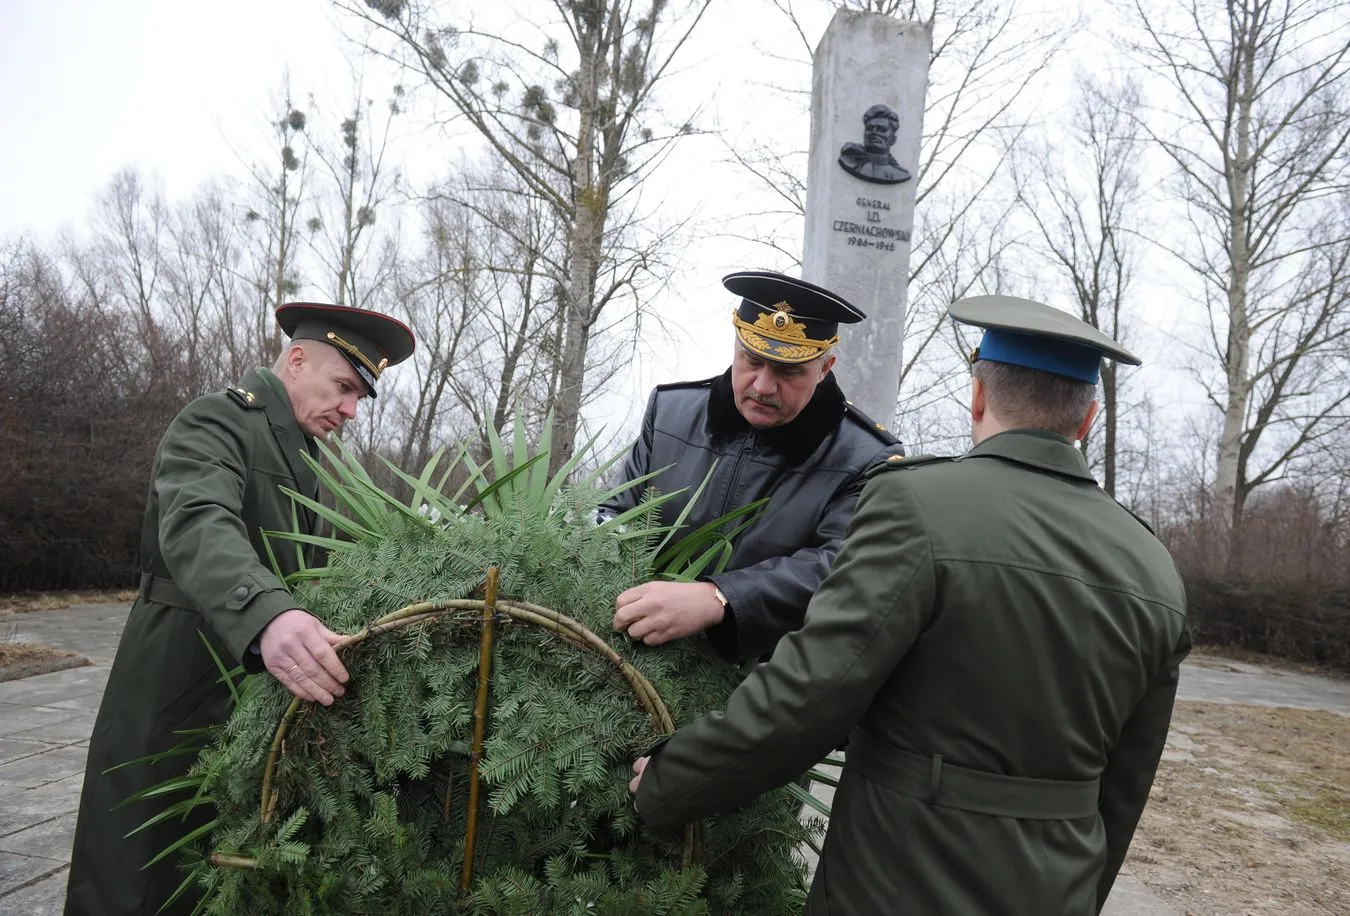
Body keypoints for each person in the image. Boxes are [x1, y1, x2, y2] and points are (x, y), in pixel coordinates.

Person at [629, 295, 1191, 915]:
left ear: (977, 396)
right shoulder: (1154, 567)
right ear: (1086, 420)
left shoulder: (916, 505)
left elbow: (813, 691)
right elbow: (1126, 785)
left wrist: (670, 780)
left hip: (892, 876)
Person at [65, 303, 415, 916]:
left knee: (216, 869)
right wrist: (268, 614)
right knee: (141, 865)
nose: (352, 411)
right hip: (179, 677)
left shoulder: (302, 457)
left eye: (361, 397)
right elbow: (200, 521)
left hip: (251, 690)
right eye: (344, 388)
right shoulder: (216, 421)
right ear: (297, 360)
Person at [605, 270, 903, 662]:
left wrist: (721, 597)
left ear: (825, 367)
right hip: (640, 662)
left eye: (788, 370)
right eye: (753, 360)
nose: (763, 386)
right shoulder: (669, 413)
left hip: (765, 684)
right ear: (735, 346)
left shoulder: (866, 457)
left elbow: (843, 566)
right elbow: (614, 514)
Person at [837, 103, 912, 185]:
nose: (874, 133)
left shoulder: (900, 174)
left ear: (893, 140)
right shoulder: (849, 161)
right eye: (869, 129)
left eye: (882, 130)